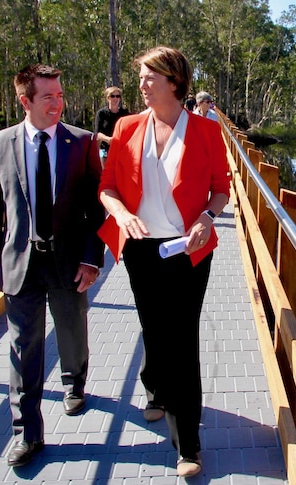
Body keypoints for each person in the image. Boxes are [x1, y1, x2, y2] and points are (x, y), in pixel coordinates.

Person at [97, 46, 230, 478]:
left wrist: (207, 219)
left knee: (181, 339)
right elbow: (108, 187)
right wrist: (121, 214)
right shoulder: (126, 126)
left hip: (189, 252)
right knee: (154, 328)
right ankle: (153, 387)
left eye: (149, 76)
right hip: (141, 250)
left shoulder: (207, 132)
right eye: (140, 77)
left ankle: (187, 444)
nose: (141, 85)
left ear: (174, 80)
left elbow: (221, 188)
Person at [0, 64, 105, 468]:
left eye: (60, 95)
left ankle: (74, 384)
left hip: (68, 260)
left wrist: (91, 259)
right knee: (22, 348)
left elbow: (95, 208)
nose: (58, 103)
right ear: (25, 100)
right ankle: (27, 434)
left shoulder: (81, 142)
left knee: (72, 328)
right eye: (48, 97)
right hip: (20, 262)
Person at [94, 86, 131, 162]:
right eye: (112, 96)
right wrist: (108, 140)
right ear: (108, 98)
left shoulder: (125, 113)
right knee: (105, 172)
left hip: (122, 149)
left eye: (118, 96)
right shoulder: (101, 113)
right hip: (104, 150)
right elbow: (97, 134)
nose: (115, 99)